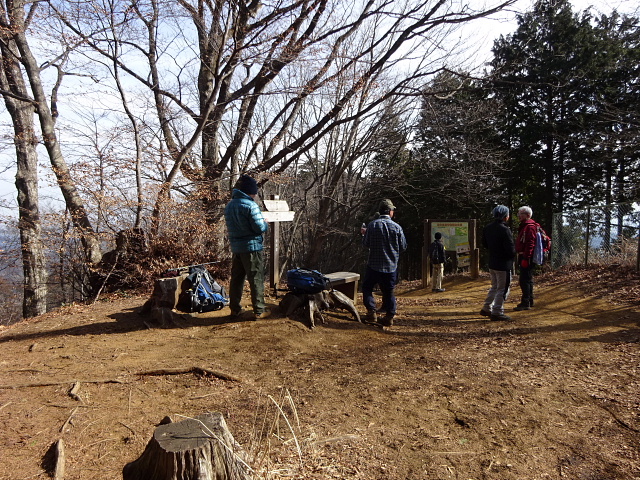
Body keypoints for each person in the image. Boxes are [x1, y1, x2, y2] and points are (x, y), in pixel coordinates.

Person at [224, 174, 269, 320]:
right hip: (252, 248)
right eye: (255, 191)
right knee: (255, 278)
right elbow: (258, 228)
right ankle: (259, 310)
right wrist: (265, 223)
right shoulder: (250, 205)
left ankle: (235, 309)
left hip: (237, 248)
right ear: (250, 191)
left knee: (237, 279)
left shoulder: (230, 205)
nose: (256, 194)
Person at [362, 199, 407, 327]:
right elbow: (403, 246)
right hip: (391, 266)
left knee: (367, 288)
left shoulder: (372, 225)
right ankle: (389, 316)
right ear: (390, 211)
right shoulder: (397, 227)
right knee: (389, 291)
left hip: (373, 265)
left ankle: (371, 312)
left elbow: (366, 244)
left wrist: (364, 235)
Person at [480, 205, 516, 321]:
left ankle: (487, 307)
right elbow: (510, 249)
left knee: (494, 287)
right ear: (506, 217)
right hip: (503, 264)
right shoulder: (505, 230)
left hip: (492, 262)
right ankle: (497, 311)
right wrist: (513, 256)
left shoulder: (488, 228)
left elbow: (484, 244)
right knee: (503, 288)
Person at [514, 205, 538, 311]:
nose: (519, 215)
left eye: (521, 214)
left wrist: (526, 258)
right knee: (527, 279)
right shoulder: (526, 226)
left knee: (524, 280)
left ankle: (526, 302)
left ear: (527, 215)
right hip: (525, 256)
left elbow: (530, 243)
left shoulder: (530, 226)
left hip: (526, 257)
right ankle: (529, 300)